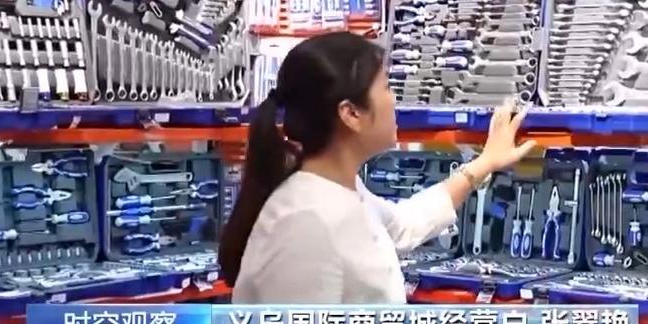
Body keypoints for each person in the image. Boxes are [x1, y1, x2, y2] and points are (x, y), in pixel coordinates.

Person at [220, 32, 537, 304]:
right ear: (351, 114)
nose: (394, 99)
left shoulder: (340, 190)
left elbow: (404, 224)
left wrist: (486, 162)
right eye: (386, 87)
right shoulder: (305, 226)